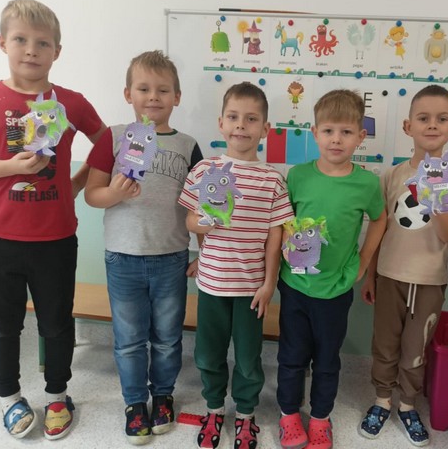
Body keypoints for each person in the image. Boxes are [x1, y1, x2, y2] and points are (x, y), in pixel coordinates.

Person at [0, 0, 106, 440]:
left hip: (55, 238)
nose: (31, 50)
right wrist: (10, 167)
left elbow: (108, 145)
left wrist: (77, 183)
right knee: (3, 326)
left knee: (57, 323)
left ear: (57, 51)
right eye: (21, 39)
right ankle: (9, 399)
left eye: (43, 43)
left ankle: (58, 395)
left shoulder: (72, 102)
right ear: (2, 42)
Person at [84, 50, 203, 445]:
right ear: (128, 94)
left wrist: (203, 252)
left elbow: (200, 206)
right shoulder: (113, 138)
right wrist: (115, 193)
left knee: (168, 337)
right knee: (130, 339)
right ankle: (135, 403)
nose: (154, 97)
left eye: (163, 90)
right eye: (144, 88)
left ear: (177, 97)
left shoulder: (188, 145)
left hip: (171, 257)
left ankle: (163, 395)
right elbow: (92, 194)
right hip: (123, 257)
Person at [179, 81, 294, 449]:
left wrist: (269, 283)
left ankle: (245, 414)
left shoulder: (273, 179)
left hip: (251, 289)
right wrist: (204, 230)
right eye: (233, 117)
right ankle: (214, 408)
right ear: (221, 123)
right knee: (208, 353)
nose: (241, 125)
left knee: (247, 357)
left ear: (265, 128)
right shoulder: (204, 170)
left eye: (251, 119)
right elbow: (191, 221)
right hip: (212, 284)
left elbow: (276, 236)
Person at [357, 84, 448, 446]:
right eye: (423, 118)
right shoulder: (391, 176)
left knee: (415, 349)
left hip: (430, 280)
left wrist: (434, 193)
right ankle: (382, 400)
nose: (432, 125)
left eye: (442, 119)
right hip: (389, 275)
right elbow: (379, 230)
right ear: (408, 127)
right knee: (384, 344)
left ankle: (407, 404)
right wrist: (370, 276)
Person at [277, 89, 388, 449]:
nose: (336, 139)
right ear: (315, 133)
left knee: (327, 360)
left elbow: (380, 218)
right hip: (295, 285)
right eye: (328, 131)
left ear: (361, 136)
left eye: (346, 132)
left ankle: (320, 418)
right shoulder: (298, 176)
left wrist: (364, 262)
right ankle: (288, 415)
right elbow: (282, 220)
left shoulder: (366, 183)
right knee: (291, 356)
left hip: (336, 288)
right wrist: (284, 247)